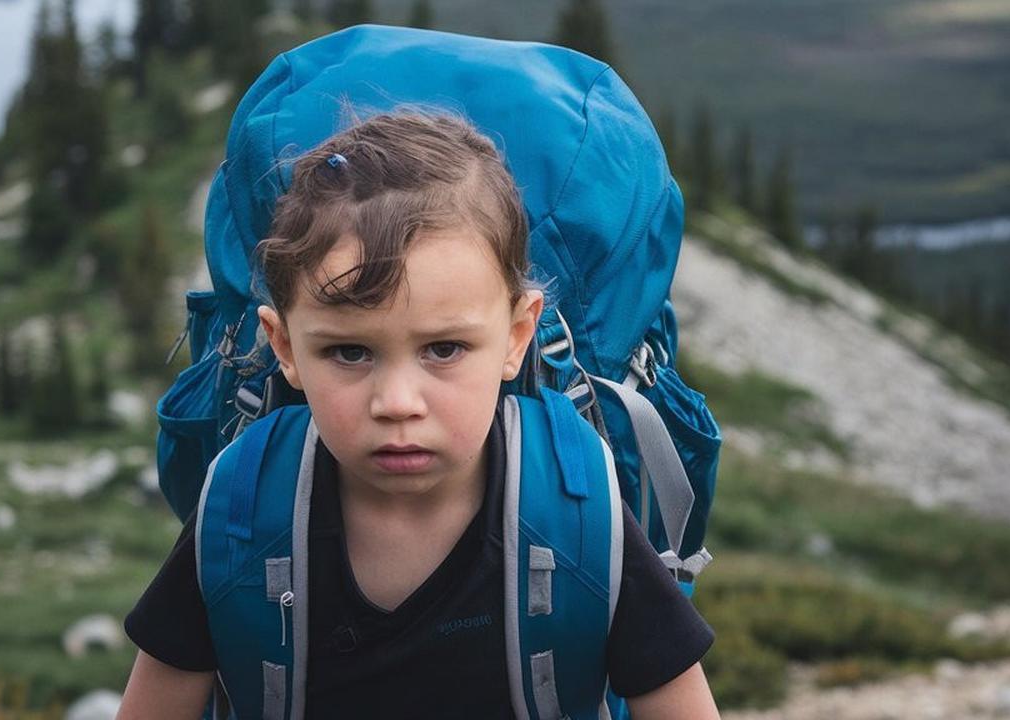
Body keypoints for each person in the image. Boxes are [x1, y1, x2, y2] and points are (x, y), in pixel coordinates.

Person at [117, 111, 719, 719]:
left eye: (444, 349)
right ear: (284, 348)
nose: (397, 403)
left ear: (517, 336)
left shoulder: (577, 514)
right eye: (348, 352)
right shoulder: (241, 511)